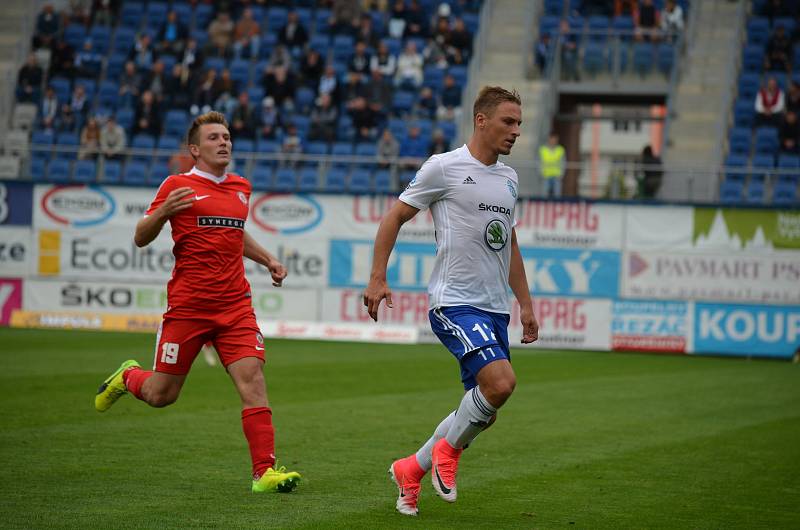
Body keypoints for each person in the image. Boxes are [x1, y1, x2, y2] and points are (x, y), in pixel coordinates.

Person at [94, 111, 301, 494]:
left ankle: (264, 473)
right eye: (214, 138)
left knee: (253, 382)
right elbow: (140, 237)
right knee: (161, 395)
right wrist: (163, 213)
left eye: (226, 136)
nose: (224, 142)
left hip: (235, 307)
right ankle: (128, 376)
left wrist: (268, 259)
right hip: (188, 309)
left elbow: (234, 233)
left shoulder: (241, 187)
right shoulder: (177, 185)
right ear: (194, 149)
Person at [363, 86, 538, 516]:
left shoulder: (509, 178)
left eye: (519, 124)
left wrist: (526, 304)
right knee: (501, 384)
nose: (515, 131)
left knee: (484, 408)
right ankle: (448, 453)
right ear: (481, 120)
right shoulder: (443, 168)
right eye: (507, 122)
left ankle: (411, 469)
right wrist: (377, 278)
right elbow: (394, 217)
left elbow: (508, 242)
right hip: (454, 302)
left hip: (495, 307)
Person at [538, 132, 565, 197]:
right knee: (544, 195)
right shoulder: (542, 149)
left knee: (557, 195)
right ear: (549, 139)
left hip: (557, 176)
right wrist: (540, 173)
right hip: (546, 176)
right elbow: (539, 162)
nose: (553, 141)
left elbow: (563, 162)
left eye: (554, 139)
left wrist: (561, 174)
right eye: (552, 139)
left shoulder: (560, 150)